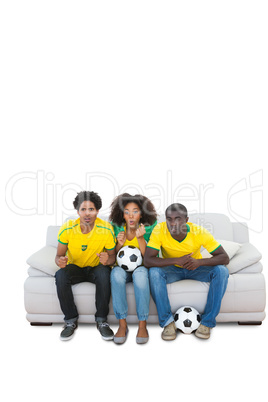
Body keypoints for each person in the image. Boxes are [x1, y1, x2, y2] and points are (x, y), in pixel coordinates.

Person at [144, 203, 230, 340]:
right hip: (172, 270)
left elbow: (224, 257)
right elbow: (148, 260)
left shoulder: (199, 232)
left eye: (177, 218)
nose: (172, 223)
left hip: (195, 268)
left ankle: (207, 323)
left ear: (186, 220)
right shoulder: (159, 230)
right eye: (169, 219)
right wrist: (176, 260)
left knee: (222, 271)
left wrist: (199, 262)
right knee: (154, 272)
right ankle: (168, 323)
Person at [55, 191, 116, 341]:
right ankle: (70, 320)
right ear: (77, 211)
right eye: (83, 209)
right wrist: (59, 261)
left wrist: (107, 260)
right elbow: (58, 256)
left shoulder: (106, 228)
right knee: (60, 275)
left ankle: (101, 320)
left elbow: (113, 256)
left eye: (91, 209)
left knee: (104, 273)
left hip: (96, 268)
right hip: (76, 268)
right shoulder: (68, 228)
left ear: (97, 211)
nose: (87, 213)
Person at [109, 193, 157, 344]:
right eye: (127, 212)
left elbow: (147, 257)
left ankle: (142, 324)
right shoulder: (117, 229)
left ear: (142, 213)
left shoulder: (148, 229)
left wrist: (141, 238)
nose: (131, 216)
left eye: (135, 211)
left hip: (141, 268)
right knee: (116, 274)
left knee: (141, 276)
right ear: (121, 214)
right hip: (121, 269)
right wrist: (119, 244)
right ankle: (122, 325)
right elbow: (114, 255)